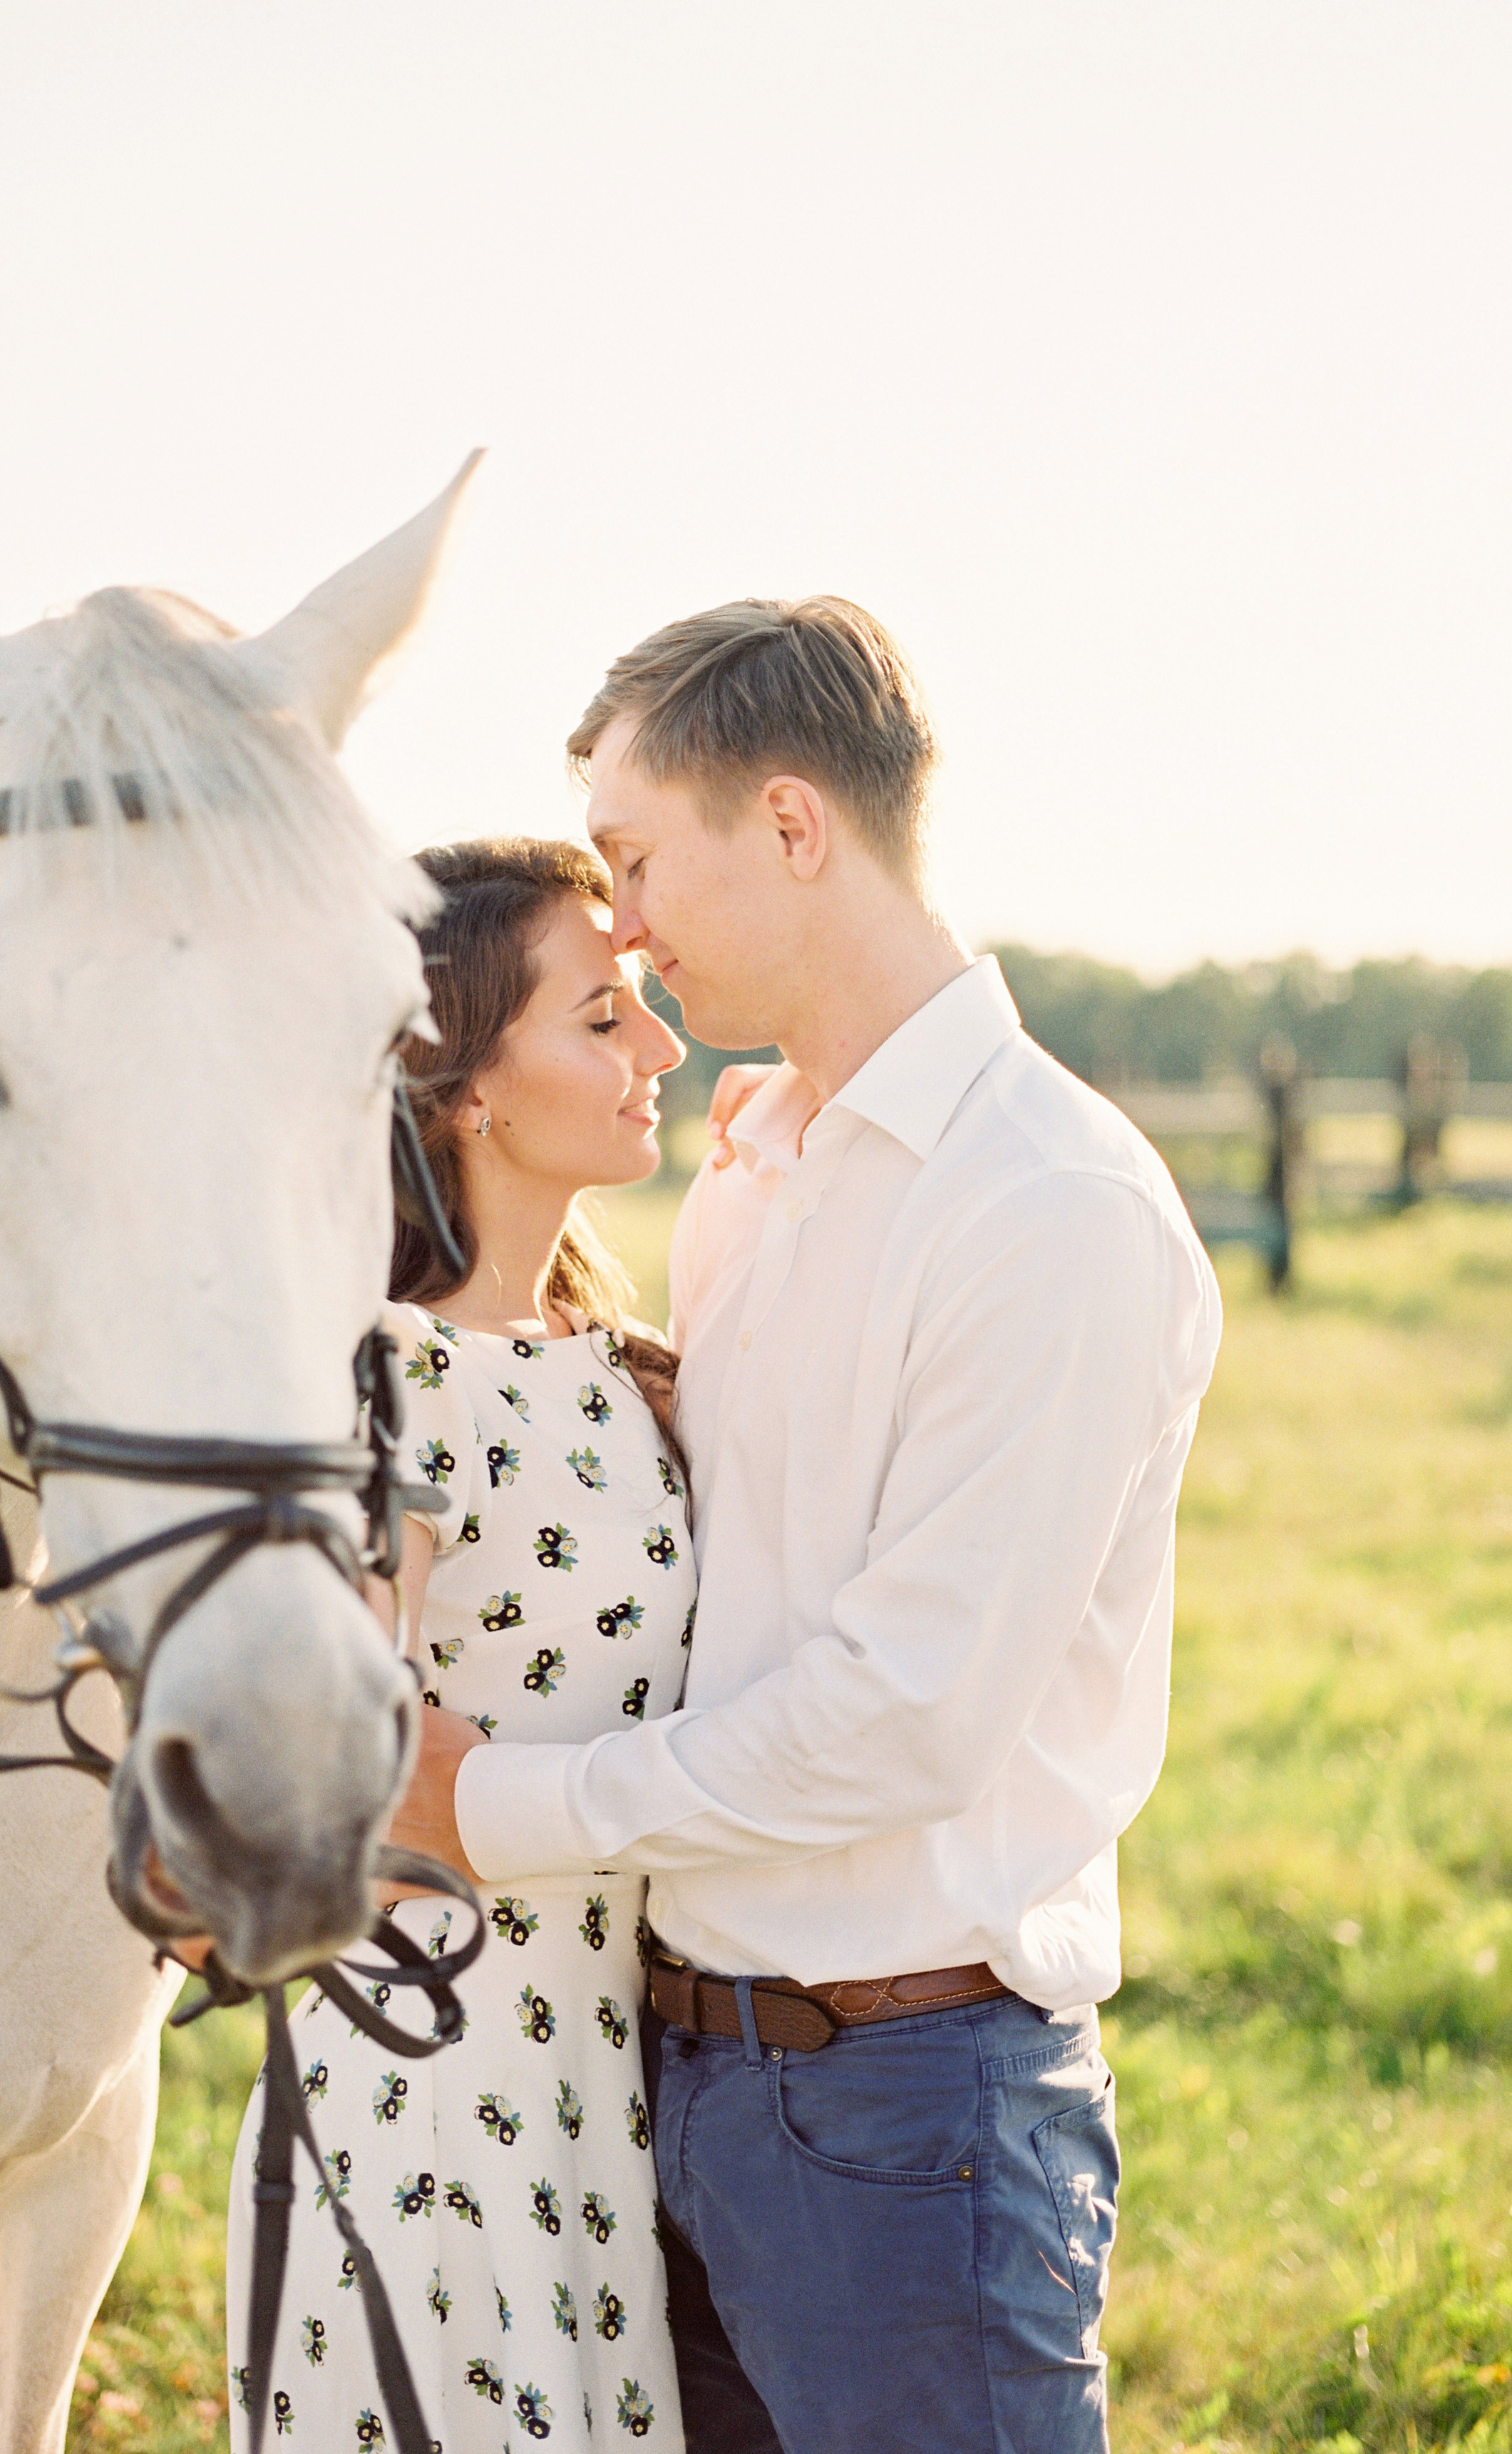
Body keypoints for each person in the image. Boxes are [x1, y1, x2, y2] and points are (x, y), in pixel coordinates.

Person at [392, 598, 1224, 2453]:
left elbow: (902, 1714)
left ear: (788, 824)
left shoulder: (1047, 1205)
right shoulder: (755, 1180)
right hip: (670, 2079)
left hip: (910, 2114)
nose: (618, 926)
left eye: (632, 860)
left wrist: (486, 1803)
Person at [224, 838, 693, 2451]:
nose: (657, 1050)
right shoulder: (396, 1367)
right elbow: (325, 1742)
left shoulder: (606, 1355)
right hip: (443, 2089)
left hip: (603, 2076)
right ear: (464, 1087)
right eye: (600, 1018)